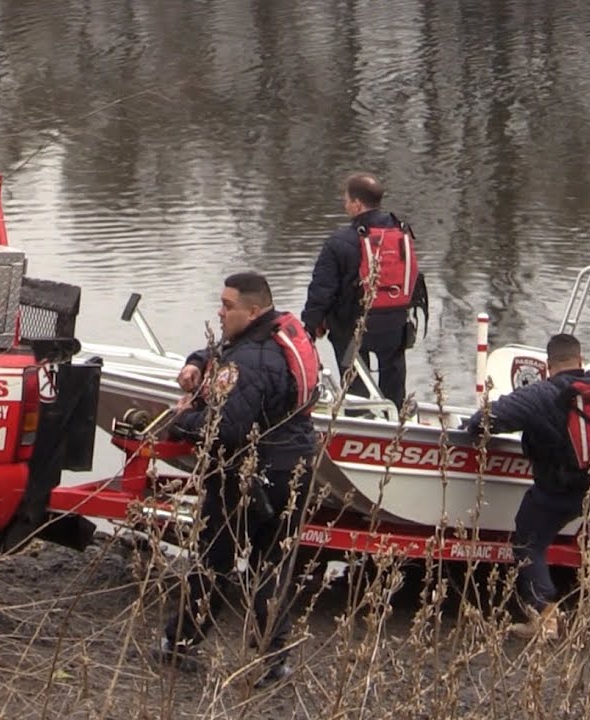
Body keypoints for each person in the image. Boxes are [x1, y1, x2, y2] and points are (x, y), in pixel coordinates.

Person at [156, 271, 320, 687]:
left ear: (253, 309)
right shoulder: (282, 335)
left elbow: (225, 429)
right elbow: (228, 353)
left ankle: (179, 643)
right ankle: (275, 659)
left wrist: (181, 420)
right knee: (272, 566)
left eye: (227, 306)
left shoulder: (248, 360)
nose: (220, 310)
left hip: (249, 475)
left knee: (213, 561)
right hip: (296, 468)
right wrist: (197, 362)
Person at [460, 333, 590, 640]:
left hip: (559, 489)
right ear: (581, 360)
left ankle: (546, 619)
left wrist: (471, 431)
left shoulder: (539, 395)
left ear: (548, 366)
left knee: (529, 542)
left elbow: (485, 420)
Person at [301, 172, 427, 411]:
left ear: (357, 204)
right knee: (394, 382)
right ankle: (397, 420)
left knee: (355, 389)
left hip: (352, 328)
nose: (344, 204)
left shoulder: (341, 241)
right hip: (396, 323)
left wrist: (310, 326)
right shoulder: (401, 232)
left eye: (346, 200)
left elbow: (322, 290)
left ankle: (359, 421)